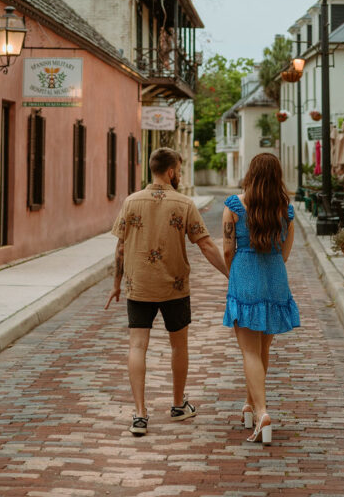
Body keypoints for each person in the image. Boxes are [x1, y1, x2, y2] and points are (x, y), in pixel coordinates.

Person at [105, 146, 228, 437]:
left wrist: (116, 284)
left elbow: (120, 247)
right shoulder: (184, 203)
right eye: (180, 170)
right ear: (171, 172)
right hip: (174, 287)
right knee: (179, 345)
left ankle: (139, 414)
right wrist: (230, 274)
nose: (180, 175)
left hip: (139, 286)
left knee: (137, 346)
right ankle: (177, 405)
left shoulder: (131, 202)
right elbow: (207, 245)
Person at [222, 152, 300, 446]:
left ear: (250, 175)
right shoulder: (286, 211)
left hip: (245, 277)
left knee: (249, 352)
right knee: (263, 348)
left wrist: (235, 275)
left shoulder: (233, 207)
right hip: (274, 279)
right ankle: (250, 404)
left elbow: (228, 250)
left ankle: (263, 412)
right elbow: (285, 253)